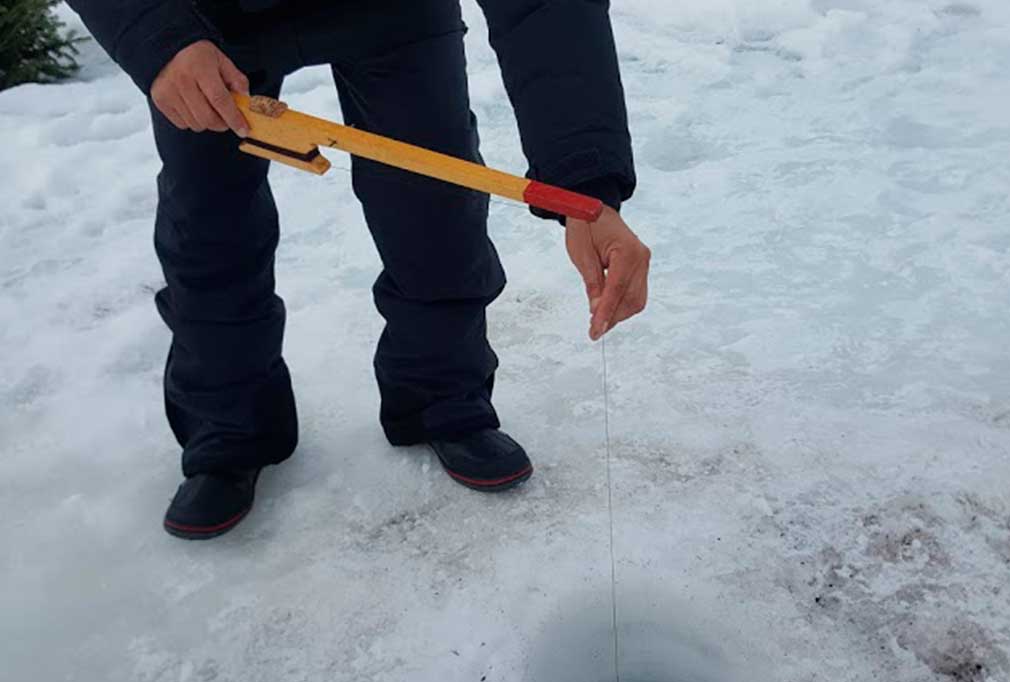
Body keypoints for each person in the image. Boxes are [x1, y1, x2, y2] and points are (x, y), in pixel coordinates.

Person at [67, 0, 651, 539]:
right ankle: (230, 427)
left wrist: (585, 187)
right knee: (208, 224)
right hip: (206, 17)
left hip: (389, 11)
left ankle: (441, 396)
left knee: (433, 209)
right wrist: (157, 35)